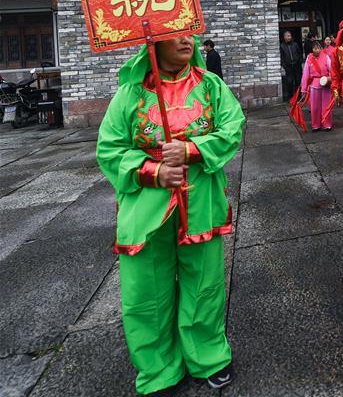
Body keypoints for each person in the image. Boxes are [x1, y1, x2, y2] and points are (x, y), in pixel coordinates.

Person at [96, 35, 244, 394]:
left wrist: (192, 149)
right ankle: (158, 368)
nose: (185, 40)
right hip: (147, 207)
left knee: (204, 284)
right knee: (146, 290)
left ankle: (207, 356)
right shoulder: (131, 94)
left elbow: (233, 128)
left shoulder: (211, 86)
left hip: (200, 202)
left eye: (188, 33)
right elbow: (110, 148)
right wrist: (154, 171)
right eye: (174, 35)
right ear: (153, 43)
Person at [301, 42, 332, 131]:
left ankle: (327, 124)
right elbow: (305, 74)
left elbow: (332, 69)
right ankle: (316, 125)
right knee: (315, 107)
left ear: (321, 49)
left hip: (325, 83)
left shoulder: (326, 57)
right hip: (314, 85)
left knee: (326, 105)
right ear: (312, 49)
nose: (317, 50)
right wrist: (304, 88)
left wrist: (331, 80)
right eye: (315, 48)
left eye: (318, 48)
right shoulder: (309, 58)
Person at [279, 30, 302, 100]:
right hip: (288, 67)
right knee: (289, 82)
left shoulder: (295, 44)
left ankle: (298, 96)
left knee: (298, 81)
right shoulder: (282, 46)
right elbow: (282, 57)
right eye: (288, 36)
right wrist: (284, 65)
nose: (289, 37)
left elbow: (299, 53)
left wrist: (299, 62)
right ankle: (291, 97)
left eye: (290, 36)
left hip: (297, 66)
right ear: (284, 37)